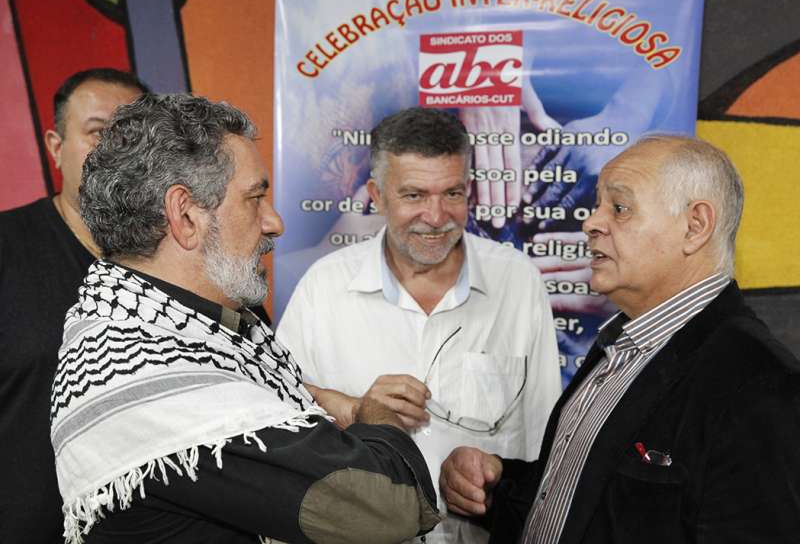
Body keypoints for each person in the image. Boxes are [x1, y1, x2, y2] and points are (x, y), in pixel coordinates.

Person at [50, 93, 439, 544]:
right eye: (255, 198)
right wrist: (375, 419)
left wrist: (330, 402)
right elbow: (384, 507)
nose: (275, 223)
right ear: (186, 216)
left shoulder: (153, 323)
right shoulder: (149, 371)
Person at [439, 134, 800, 544]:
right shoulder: (620, 348)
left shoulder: (759, 384)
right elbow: (587, 505)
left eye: (620, 208)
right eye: (597, 205)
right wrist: (495, 485)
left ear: (695, 226)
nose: (591, 222)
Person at [277, 107, 562, 543]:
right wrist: (356, 412)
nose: (435, 216)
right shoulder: (324, 286)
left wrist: (494, 478)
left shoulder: (518, 281)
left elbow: (544, 440)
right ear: (376, 194)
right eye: (414, 195)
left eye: (452, 193)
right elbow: (276, 416)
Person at [0, 68, 147, 544]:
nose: (115, 150)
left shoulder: (180, 259)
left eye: (132, 136)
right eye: (98, 132)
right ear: (56, 146)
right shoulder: (6, 247)